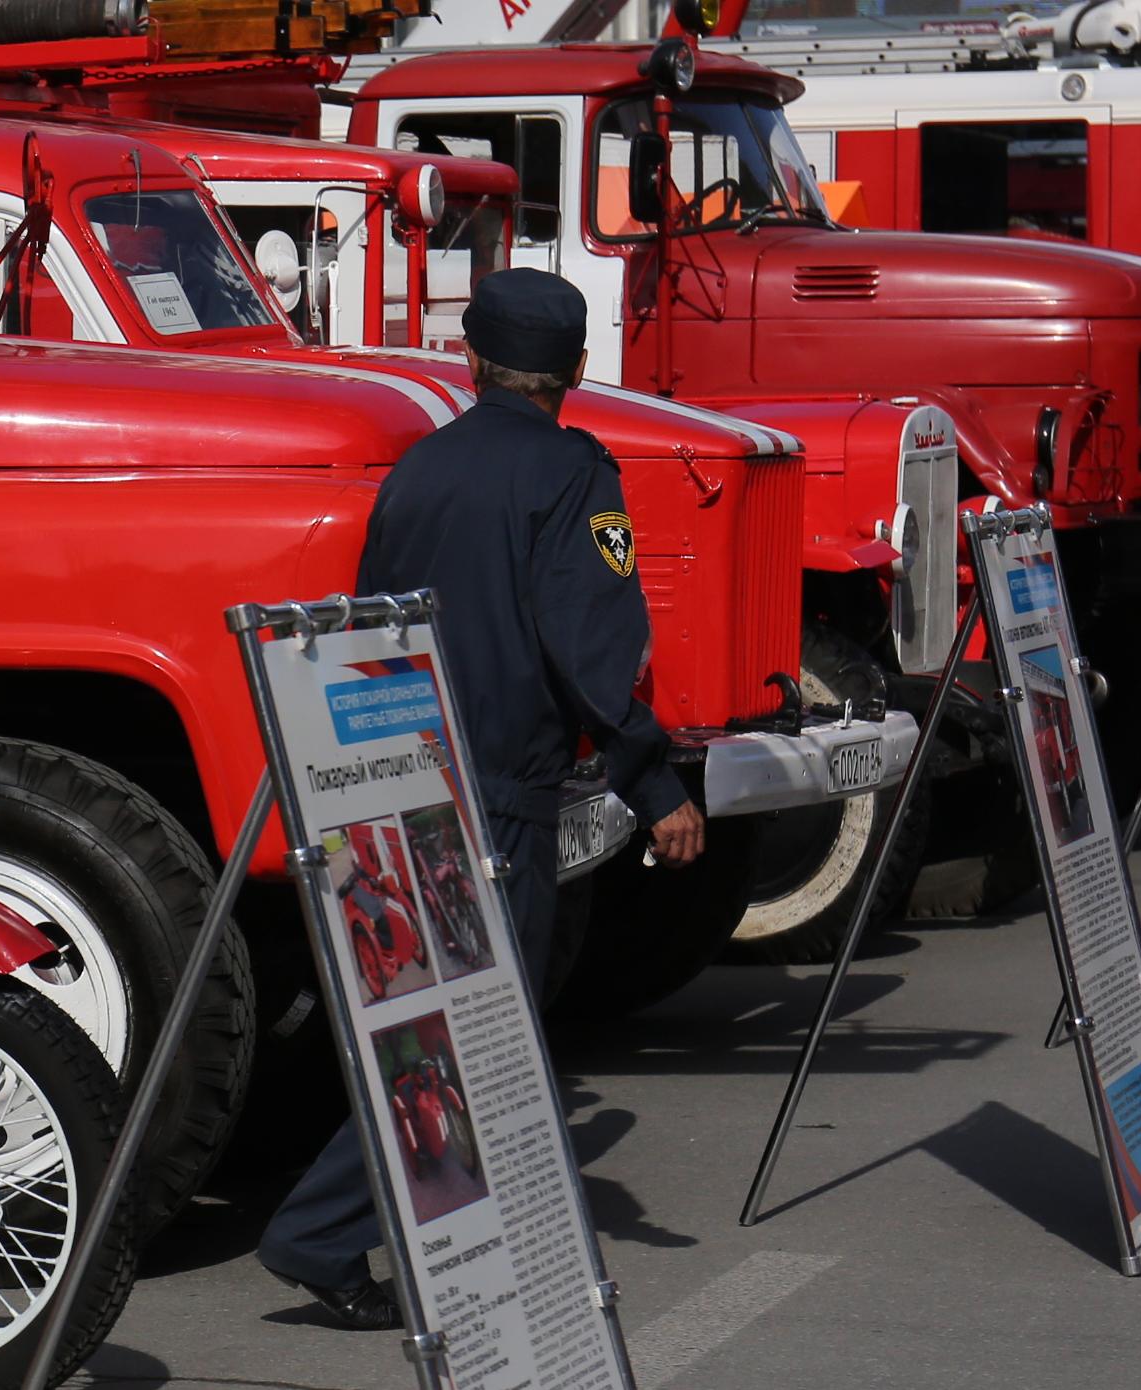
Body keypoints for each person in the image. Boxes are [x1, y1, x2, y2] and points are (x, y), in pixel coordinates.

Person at [259, 269, 703, 1330]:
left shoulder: (418, 468)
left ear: (470, 362)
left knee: (445, 1020)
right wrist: (653, 781)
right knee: (476, 1031)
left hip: (398, 769)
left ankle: (476, 1237)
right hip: (501, 789)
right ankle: (321, 1230)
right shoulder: (573, 472)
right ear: (578, 373)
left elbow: (367, 620)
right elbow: (595, 646)